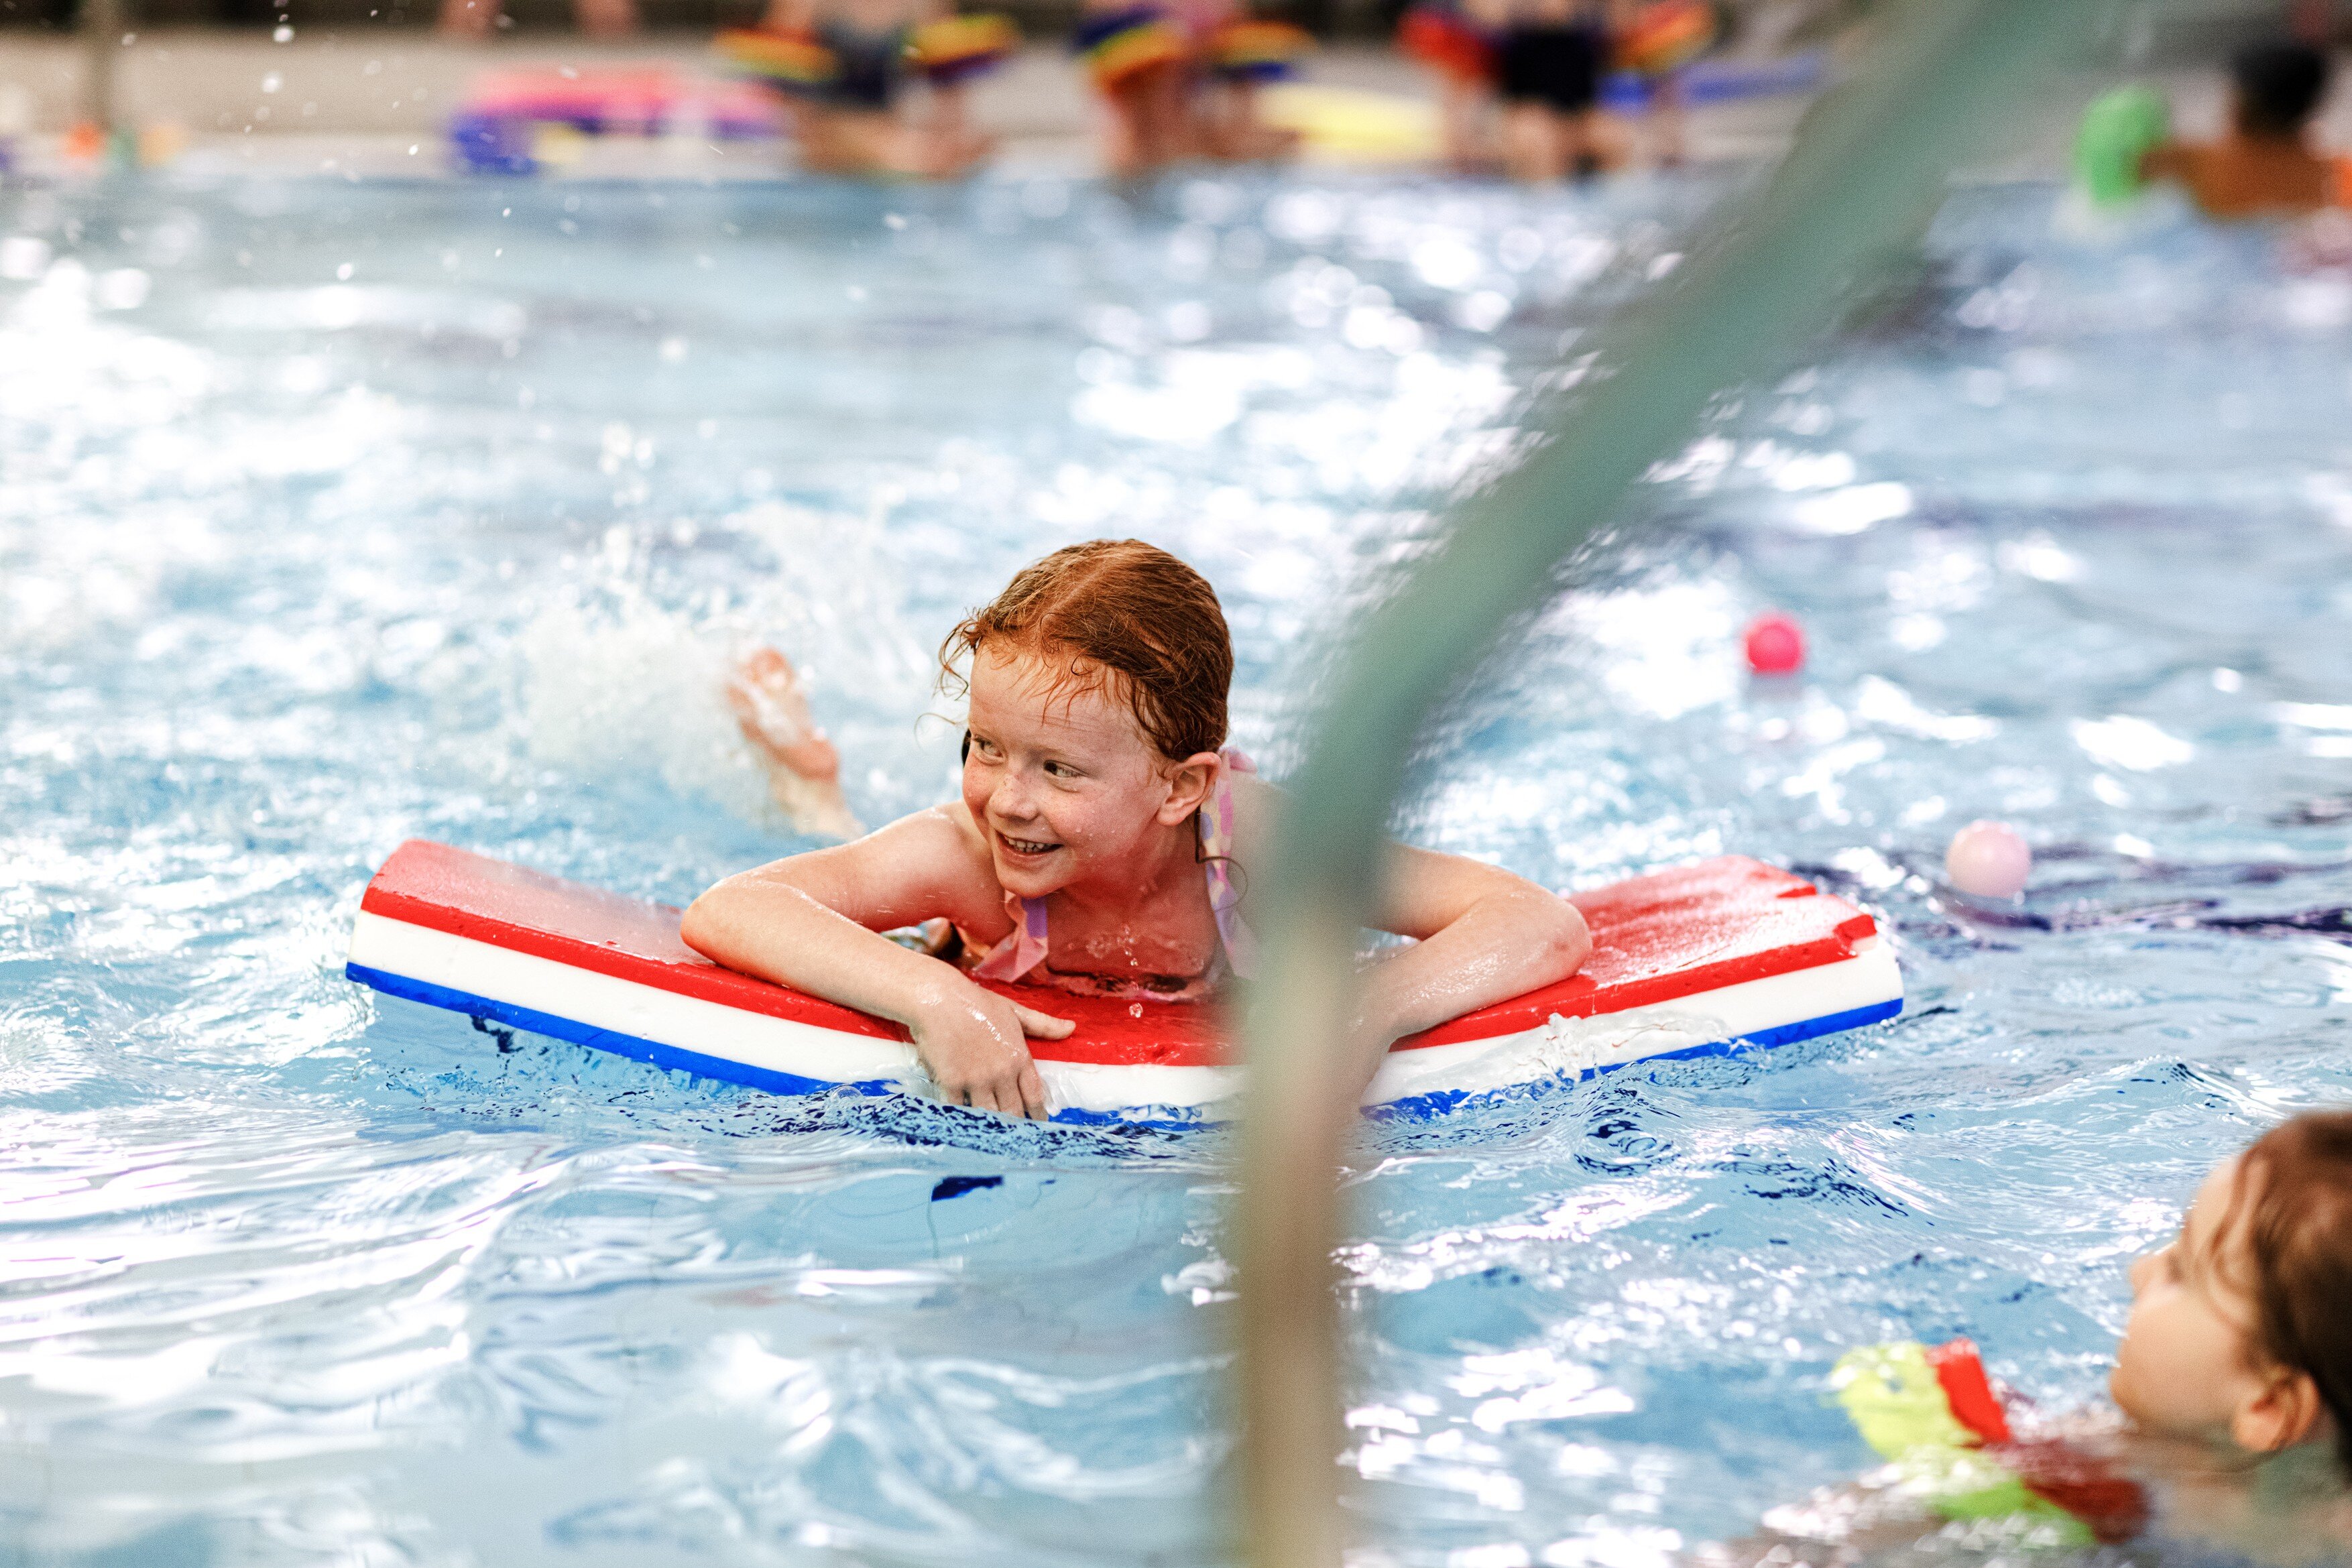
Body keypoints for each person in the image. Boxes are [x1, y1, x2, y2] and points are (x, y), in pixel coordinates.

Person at [682, 539, 1592, 1119]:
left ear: (1179, 788)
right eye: (986, 745)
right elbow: (735, 907)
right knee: (856, 859)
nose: (1008, 798)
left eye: (1059, 768)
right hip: (952, 944)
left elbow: (1535, 919)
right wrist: (940, 998)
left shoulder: (1255, 847)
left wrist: (1369, 1009)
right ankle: (810, 789)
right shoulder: (967, 856)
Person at [1706, 1109, 2352, 1561]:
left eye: (2180, 1271)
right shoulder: (2089, 1460)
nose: (2139, 1270)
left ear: (2268, 1405)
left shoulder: (2104, 1471)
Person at [2143, 40, 2347, 219]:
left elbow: (2137, 169)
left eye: (2234, 95)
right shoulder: (2326, 172)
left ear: (2244, 108)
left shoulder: (2198, 162)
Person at [1495, 0, 1608, 182]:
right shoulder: (1519, 43)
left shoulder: (1584, 44)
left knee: (1607, 134)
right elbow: (1514, 101)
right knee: (1538, 135)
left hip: (1571, 118)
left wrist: (1572, 126)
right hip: (1535, 121)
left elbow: (1588, 99)